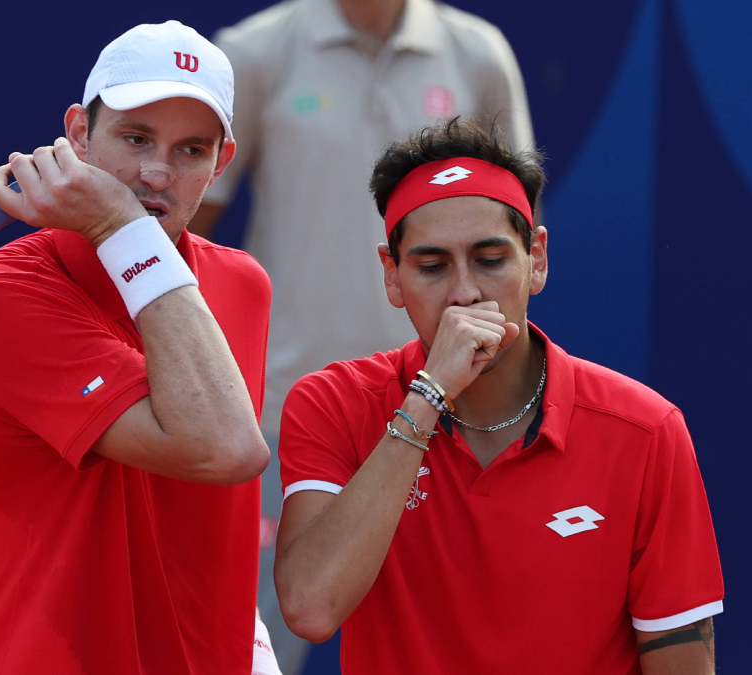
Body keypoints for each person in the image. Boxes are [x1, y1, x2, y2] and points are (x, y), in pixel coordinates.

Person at [273, 118, 724, 674]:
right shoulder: (333, 404)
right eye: (432, 267)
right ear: (392, 276)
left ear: (536, 257)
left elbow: (677, 653)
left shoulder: (645, 429)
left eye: (490, 260)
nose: (465, 293)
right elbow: (311, 608)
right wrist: (428, 398)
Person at [0, 21, 281, 674]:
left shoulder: (243, 286)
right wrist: (121, 227)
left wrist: (247, 643)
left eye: (190, 150)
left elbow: (199, 519)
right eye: (136, 138)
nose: (156, 171)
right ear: (79, 135)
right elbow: (223, 446)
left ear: (221, 163)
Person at [189, 2, 534, 666]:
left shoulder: (478, 54)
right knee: (248, 650)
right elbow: (182, 227)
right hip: (279, 414)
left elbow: (510, 240)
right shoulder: (257, 51)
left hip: (450, 423)